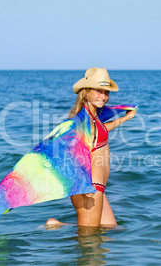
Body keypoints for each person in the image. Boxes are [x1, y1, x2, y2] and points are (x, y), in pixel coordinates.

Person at [47, 67, 137, 227]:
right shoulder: (80, 121)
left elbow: (100, 132)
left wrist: (126, 118)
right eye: (99, 91)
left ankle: (57, 224)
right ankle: (54, 224)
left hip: (97, 186)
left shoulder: (93, 118)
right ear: (86, 91)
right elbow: (67, 153)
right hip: (90, 187)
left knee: (109, 229)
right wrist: (82, 183)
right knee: (88, 240)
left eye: (107, 92)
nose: (104, 96)